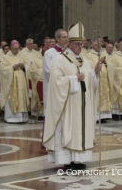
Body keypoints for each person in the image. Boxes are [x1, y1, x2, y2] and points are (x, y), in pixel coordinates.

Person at [43, 22, 102, 170]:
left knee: (80, 130)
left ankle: (79, 159)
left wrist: (94, 72)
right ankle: (68, 161)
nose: (80, 47)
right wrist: (74, 79)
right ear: (69, 44)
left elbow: (89, 80)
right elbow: (55, 83)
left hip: (82, 105)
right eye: (77, 44)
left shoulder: (84, 60)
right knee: (68, 130)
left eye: (81, 44)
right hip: (68, 105)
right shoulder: (60, 60)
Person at [0, 42, 29, 123]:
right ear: (11, 48)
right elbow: (2, 68)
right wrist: (12, 67)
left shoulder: (21, 57)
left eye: (18, 49)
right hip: (11, 81)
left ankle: (22, 118)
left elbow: (28, 66)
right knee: (13, 97)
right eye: (15, 49)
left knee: (21, 97)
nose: (16, 50)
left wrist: (24, 67)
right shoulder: (5, 57)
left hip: (21, 80)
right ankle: (11, 118)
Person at [87, 41, 113, 122]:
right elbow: (89, 65)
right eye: (97, 45)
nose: (98, 47)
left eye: (100, 45)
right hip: (96, 79)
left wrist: (105, 63)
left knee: (104, 96)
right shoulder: (89, 55)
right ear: (93, 46)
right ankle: (97, 117)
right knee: (97, 96)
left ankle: (103, 116)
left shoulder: (103, 54)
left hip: (104, 80)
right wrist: (99, 62)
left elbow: (111, 65)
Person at [30, 47, 46, 119]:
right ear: (41, 51)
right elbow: (32, 71)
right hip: (38, 81)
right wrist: (42, 72)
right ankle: (38, 114)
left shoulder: (52, 59)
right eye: (44, 51)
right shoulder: (36, 60)